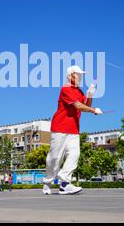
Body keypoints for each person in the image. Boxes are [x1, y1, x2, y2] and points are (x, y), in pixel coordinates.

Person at [43, 65, 103, 195]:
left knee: (74, 155)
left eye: (81, 75)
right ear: (70, 75)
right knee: (55, 158)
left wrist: (90, 94)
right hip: (60, 127)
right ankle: (47, 182)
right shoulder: (66, 89)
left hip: (74, 130)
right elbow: (78, 106)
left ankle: (64, 184)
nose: (80, 77)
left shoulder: (80, 92)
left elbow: (86, 105)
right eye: (78, 75)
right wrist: (93, 110)